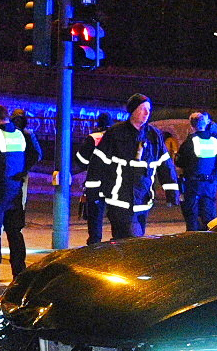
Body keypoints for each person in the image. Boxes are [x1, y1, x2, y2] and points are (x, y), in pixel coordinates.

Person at [93, 93, 178, 239]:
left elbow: (165, 164)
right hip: (119, 201)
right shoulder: (115, 133)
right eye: (142, 109)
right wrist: (93, 191)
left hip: (143, 202)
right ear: (132, 111)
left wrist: (172, 192)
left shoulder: (154, 135)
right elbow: (98, 162)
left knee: (126, 243)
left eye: (149, 110)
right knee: (132, 237)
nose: (147, 113)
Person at [0, 107, 41, 284]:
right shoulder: (20, 134)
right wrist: (22, 171)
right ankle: (19, 273)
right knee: (15, 233)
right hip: (15, 190)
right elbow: (36, 154)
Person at [176, 110, 217, 231]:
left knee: (192, 217)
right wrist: (212, 177)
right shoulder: (215, 140)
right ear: (205, 124)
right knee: (209, 217)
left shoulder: (190, 141)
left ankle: (192, 243)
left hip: (192, 185)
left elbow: (180, 162)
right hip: (209, 185)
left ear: (191, 125)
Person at [75, 111, 112, 245]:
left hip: (95, 183)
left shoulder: (93, 137)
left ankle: (94, 245)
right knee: (116, 215)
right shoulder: (117, 136)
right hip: (114, 181)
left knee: (95, 217)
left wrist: (90, 166)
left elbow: (80, 159)